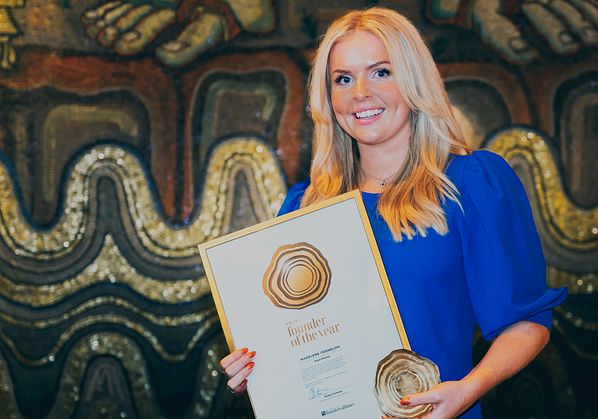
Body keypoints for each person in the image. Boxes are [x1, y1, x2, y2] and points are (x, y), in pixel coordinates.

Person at [219, 7, 567, 419]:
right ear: (328, 97)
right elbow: (294, 344)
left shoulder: (470, 184)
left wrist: (468, 390)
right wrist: (257, 370)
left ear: (414, 80)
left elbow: (527, 322)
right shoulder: (304, 205)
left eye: (381, 72)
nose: (360, 93)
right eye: (343, 79)